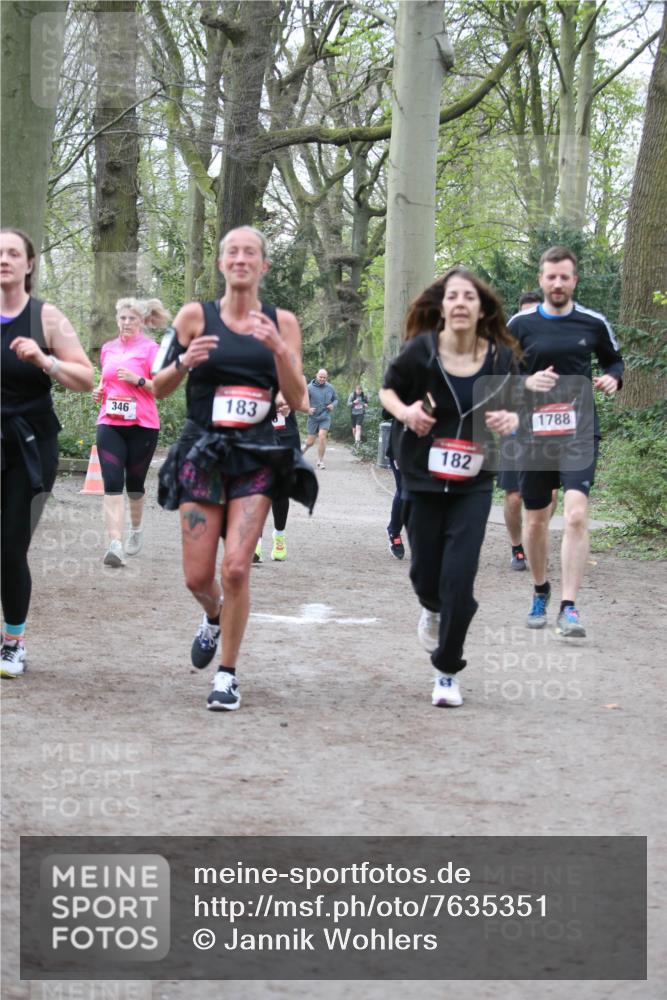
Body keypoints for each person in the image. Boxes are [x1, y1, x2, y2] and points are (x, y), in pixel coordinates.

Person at [153, 226, 317, 711]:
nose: (241, 259)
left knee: (238, 567)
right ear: (221, 262)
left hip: (256, 455)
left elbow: (299, 398)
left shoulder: (282, 322)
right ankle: (213, 615)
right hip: (202, 452)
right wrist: (184, 362)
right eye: (232, 252)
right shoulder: (193, 316)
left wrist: (280, 351)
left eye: (250, 252)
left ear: (264, 265)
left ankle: (227, 675)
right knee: (197, 577)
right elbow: (156, 386)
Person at [379, 266, 521, 708]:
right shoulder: (421, 351)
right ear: (442, 307)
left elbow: (518, 403)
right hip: (421, 476)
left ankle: (446, 670)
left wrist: (510, 418)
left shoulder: (500, 358)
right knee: (426, 576)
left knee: (460, 578)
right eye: (453, 296)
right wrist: (406, 413)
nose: (460, 303)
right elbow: (388, 391)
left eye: (469, 297)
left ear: (482, 310)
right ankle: (431, 606)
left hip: (473, 482)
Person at [508, 246, 624, 637]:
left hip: (579, 431)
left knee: (575, 515)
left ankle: (569, 606)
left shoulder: (593, 322)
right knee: (536, 521)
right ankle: (540, 589)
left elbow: (614, 360)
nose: (557, 283)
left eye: (564, 277)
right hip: (533, 435)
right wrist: (526, 381)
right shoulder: (519, 325)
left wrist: (613, 378)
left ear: (575, 280)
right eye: (551, 276)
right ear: (541, 279)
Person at [1, 228, 93, 678]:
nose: (4, 260)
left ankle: (13, 643)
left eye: (12, 253)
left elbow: (87, 378)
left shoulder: (46, 317)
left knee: (9, 547)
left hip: (30, 448)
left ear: (29, 264)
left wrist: (45, 360)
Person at [92, 297, 169, 566]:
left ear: (142, 322)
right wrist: (99, 391)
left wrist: (138, 380)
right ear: (117, 320)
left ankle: (136, 529)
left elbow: (162, 388)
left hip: (142, 426)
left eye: (132, 318)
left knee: (134, 484)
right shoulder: (108, 349)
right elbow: (106, 381)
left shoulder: (151, 350)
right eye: (122, 318)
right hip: (110, 423)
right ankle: (114, 544)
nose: (126, 322)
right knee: (112, 481)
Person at [497, 291, 556, 570]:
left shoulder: (553, 347)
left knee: (551, 494)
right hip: (515, 426)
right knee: (514, 496)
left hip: (548, 426)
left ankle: (536, 532)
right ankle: (517, 547)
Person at [253, 396, 304, 563]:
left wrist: (291, 404)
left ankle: (279, 536)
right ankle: (255, 543)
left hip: (286, 435)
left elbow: (305, 402)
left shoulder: (292, 377)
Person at [301, 368, 338, 468]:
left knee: (322, 436)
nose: (322, 379)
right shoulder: (309, 388)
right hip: (313, 418)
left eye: (324, 377)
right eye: (321, 377)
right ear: (316, 375)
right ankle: (301, 451)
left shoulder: (330, 387)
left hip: (325, 416)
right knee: (310, 442)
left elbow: (336, 399)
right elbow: (303, 401)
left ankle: (320, 461)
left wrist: (333, 405)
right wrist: (308, 409)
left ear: (326, 377)